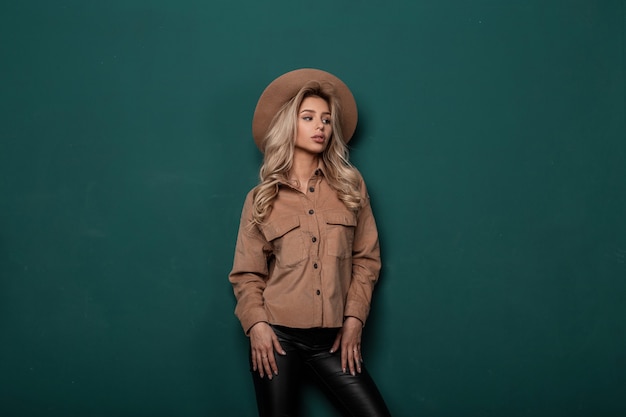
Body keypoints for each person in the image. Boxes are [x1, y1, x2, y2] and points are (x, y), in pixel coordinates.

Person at [228, 68, 391, 417]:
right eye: (309, 117)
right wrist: (256, 324)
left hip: (333, 338)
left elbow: (366, 259)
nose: (321, 126)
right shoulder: (261, 198)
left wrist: (354, 319)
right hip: (277, 337)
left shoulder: (350, 185)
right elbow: (246, 275)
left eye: (327, 120)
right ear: (290, 124)